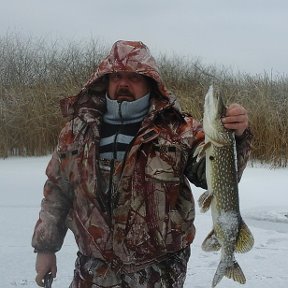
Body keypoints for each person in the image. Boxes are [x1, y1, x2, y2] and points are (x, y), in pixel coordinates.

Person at [32, 40, 252, 288]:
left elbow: (213, 174)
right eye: (116, 76)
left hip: (158, 273)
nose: (123, 83)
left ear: (150, 82)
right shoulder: (75, 132)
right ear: (105, 80)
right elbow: (57, 192)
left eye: (134, 77)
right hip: (92, 271)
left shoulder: (180, 130)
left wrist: (237, 136)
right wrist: (45, 248)